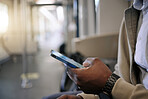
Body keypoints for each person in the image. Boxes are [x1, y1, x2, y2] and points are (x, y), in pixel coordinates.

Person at [45, 0, 148, 99]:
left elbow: (117, 86)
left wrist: (109, 83)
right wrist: (83, 98)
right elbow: (122, 72)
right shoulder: (134, 14)